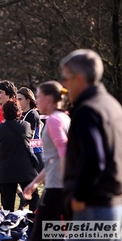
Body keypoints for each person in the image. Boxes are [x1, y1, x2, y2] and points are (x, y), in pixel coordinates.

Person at [61, 50, 122, 234]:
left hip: (92, 206)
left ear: (79, 79)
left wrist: (78, 197)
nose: (64, 85)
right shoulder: (112, 105)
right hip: (112, 203)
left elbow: (94, 159)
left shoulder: (87, 111)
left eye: (67, 78)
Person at [22, 81, 70, 241]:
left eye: (38, 97)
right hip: (58, 185)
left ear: (48, 99)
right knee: (57, 233)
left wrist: (67, 183)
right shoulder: (64, 117)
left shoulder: (54, 121)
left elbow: (64, 151)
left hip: (57, 187)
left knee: (38, 234)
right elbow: (53, 160)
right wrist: (35, 182)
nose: (36, 100)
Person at [0, 99, 39, 212]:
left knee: (7, 205)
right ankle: (34, 222)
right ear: (19, 111)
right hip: (25, 168)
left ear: (4, 112)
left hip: (6, 169)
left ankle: (9, 226)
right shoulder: (26, 126)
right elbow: (29, 138)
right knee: (34, 198)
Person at [17, 87, 44, 173]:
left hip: (35, 151)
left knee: (46, 180)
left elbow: (29, 135)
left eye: (20, 99)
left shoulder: (32, 113)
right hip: (25, 151)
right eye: (16, 99)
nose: (17, 101)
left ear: (28, 100)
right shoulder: (20, 114)